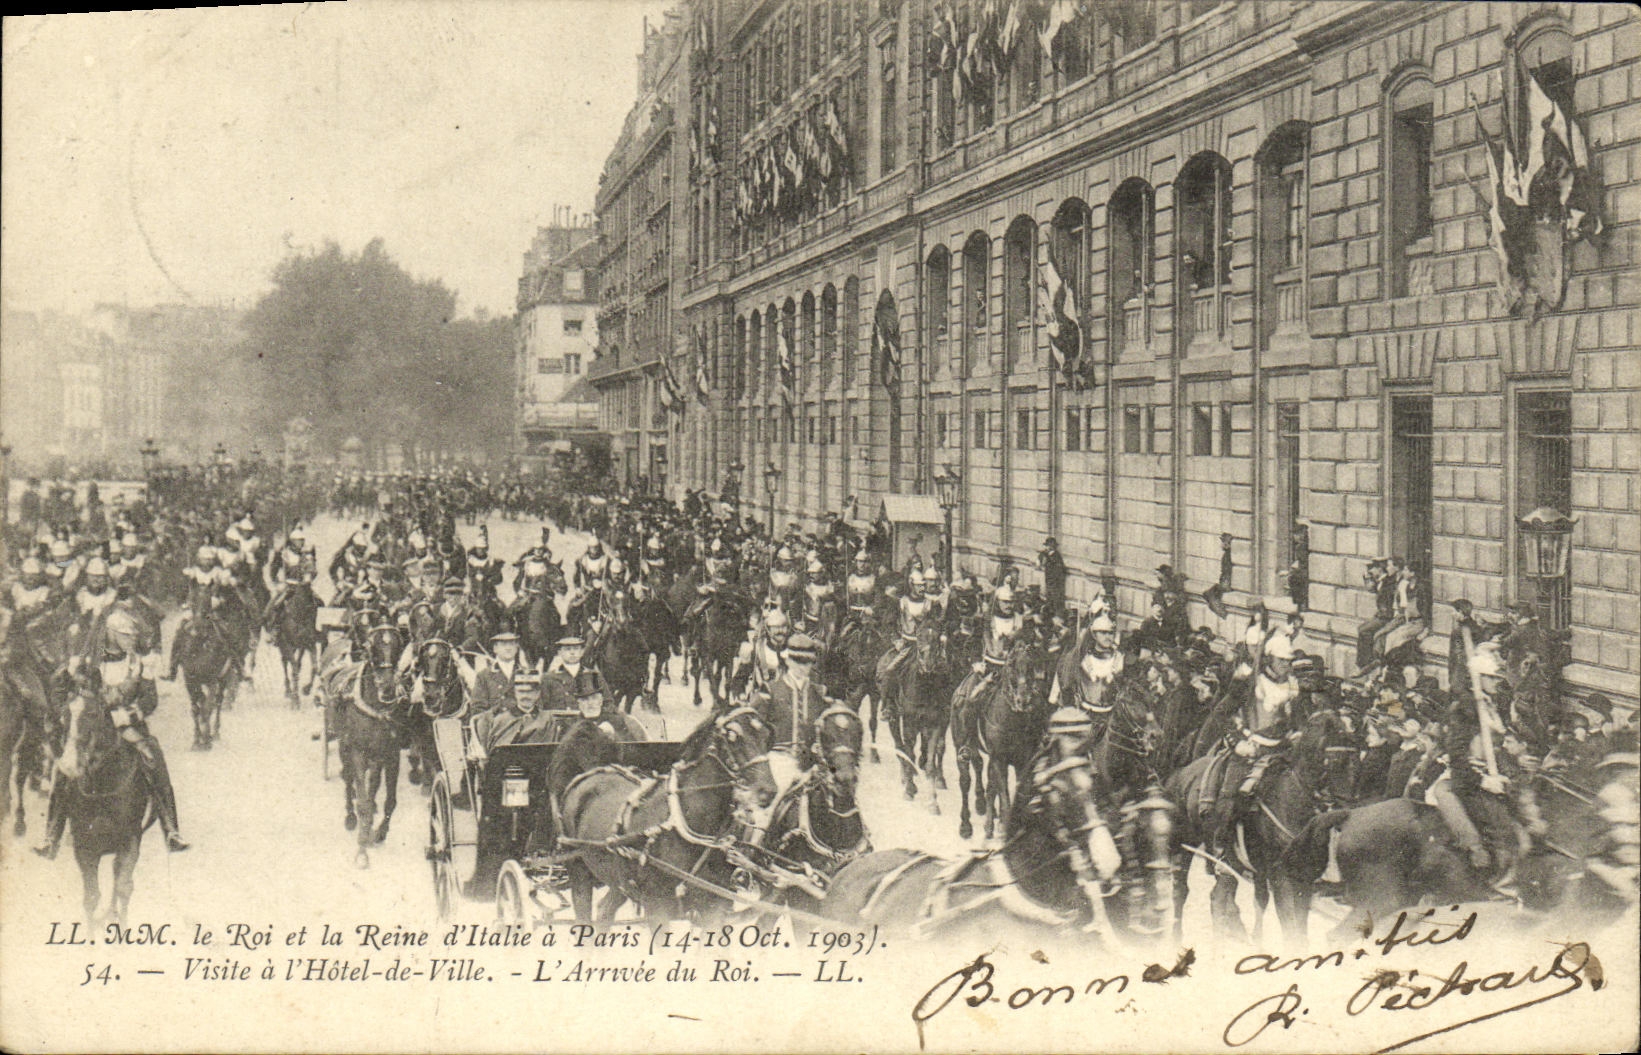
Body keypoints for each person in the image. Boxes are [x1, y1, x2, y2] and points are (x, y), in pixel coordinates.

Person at [37, 604, 188, 857]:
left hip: (126, 726)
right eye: (125, 635)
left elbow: (150, 700)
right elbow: (61, 690)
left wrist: (130, 713)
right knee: (63, 768)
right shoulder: (85, 664)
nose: (131, 640)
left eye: (132, 636)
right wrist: (72, 707)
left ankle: (171, 829)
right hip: (89, 725)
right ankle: (51, 835)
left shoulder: (140, 663)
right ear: (110, 634)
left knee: (153, 759)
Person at [759, 633, 828, 756]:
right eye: (797, 661)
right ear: (788, 661)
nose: (801, 667)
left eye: (806, 662)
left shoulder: (819, 693)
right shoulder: (770, 690)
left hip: (811, 761)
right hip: (778, 758)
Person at [1038, 537, 1067, 622]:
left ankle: (1054, 617)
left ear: (1051, 547)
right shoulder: (1047, 555)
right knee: (1049, 600)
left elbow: (1059, 571)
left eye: (1047, 546)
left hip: (1055, 584)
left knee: (1055, 601)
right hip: (1050, 582)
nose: (1046, 548)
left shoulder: (1056, 557)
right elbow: (1040, 563)